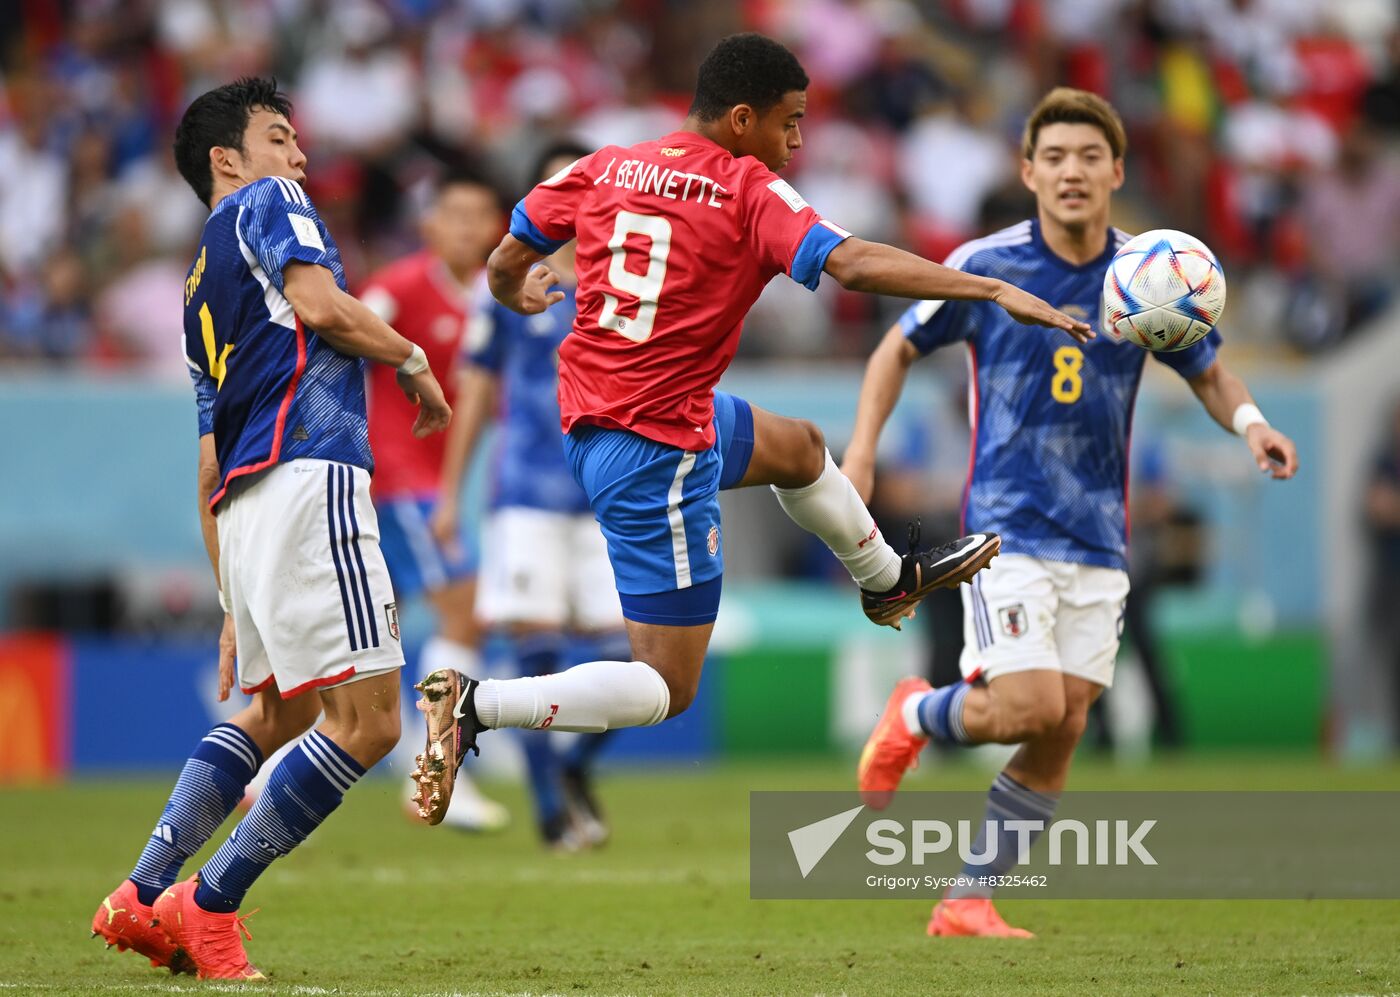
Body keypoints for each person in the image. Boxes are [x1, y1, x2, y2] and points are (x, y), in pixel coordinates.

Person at [410, 33, 1090, 824]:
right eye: (789, 122)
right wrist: (989, 288)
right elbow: (854, 262)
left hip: (630, 412)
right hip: (654, 447)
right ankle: (477, 703)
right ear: (741, 119)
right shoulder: (746, 187)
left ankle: (883, 579)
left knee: (800, 448)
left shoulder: (602, 165)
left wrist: (515, 287)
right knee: (667, 686)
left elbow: (507, 255)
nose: (797, 140)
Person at [847, 87, 1299, 939]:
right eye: (1054, 157)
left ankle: (967, 898)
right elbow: (895, 345)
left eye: (1090, 156)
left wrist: (1253, 423)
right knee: (1023, 706)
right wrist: (863, 453)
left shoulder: (1147, 275)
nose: (1072, 172)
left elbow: (1209, 370)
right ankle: (913, 712)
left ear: (1117, 171)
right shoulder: (988, 265)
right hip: (1005, 525)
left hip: (1099, 533)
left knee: (1066, 723)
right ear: (1028, 171)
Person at [89, 77, 450, 980]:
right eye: (280, 137)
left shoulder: (196, 284)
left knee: (280, 708)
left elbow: (209, 459)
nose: (298, 156)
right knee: (368, 723)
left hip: (249, 508)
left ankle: (140, 892)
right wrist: (409, 358)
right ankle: (210, 905)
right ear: (228, 159)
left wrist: (227, 599)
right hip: (310, 474)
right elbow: (325, 308)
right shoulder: (271, 202)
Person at [436, 140, 626, 849]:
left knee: (633, 657)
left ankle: (574, 768)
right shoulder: (512, 283)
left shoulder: (626, 285)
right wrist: (451, 493)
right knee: (536, 648)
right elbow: (478, 392)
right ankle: (551, 811)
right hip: (526, 493)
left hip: (608, 494)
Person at [359, 167, 509, 832]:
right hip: (396, 480)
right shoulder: (399, 287)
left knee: (356, 630)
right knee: (463, 608)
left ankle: (269, 767)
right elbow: (342, 328)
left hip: (427, 483)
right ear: (429, 226)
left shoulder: (491, 300)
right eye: (455, 214)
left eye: (481, 216)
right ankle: (436, 772)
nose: (469, 227)